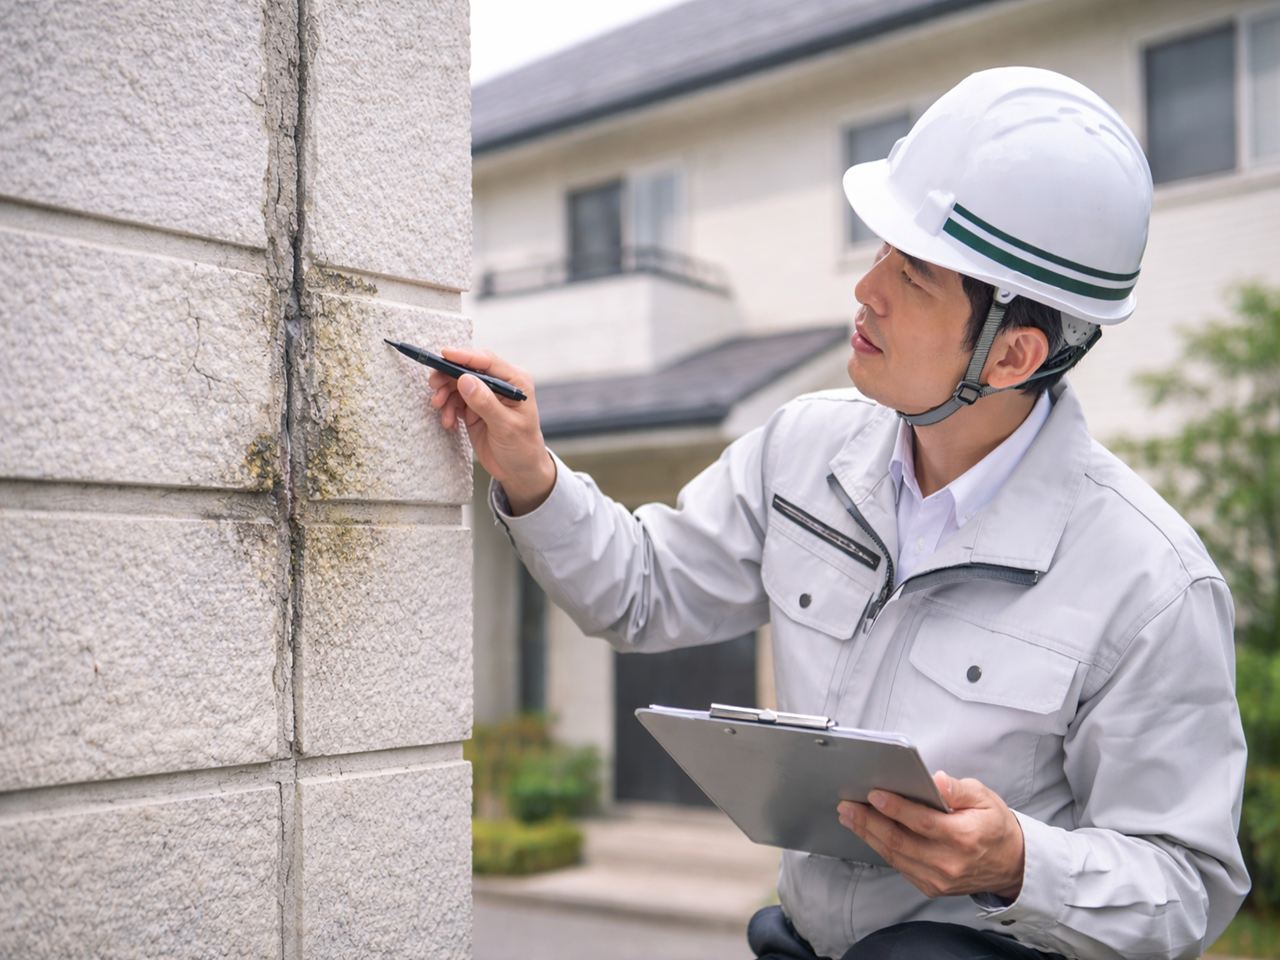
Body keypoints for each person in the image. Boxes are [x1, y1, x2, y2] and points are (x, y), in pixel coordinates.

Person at [428, 68, 1249, 959]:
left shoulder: (1152, 582)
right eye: (879, 252)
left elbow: (1186, 888)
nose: (867, 290)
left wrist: (1019, 864)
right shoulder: (804, 450)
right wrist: (529, 470)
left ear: (1012, 353)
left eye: (915, 275)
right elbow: (641, 588)